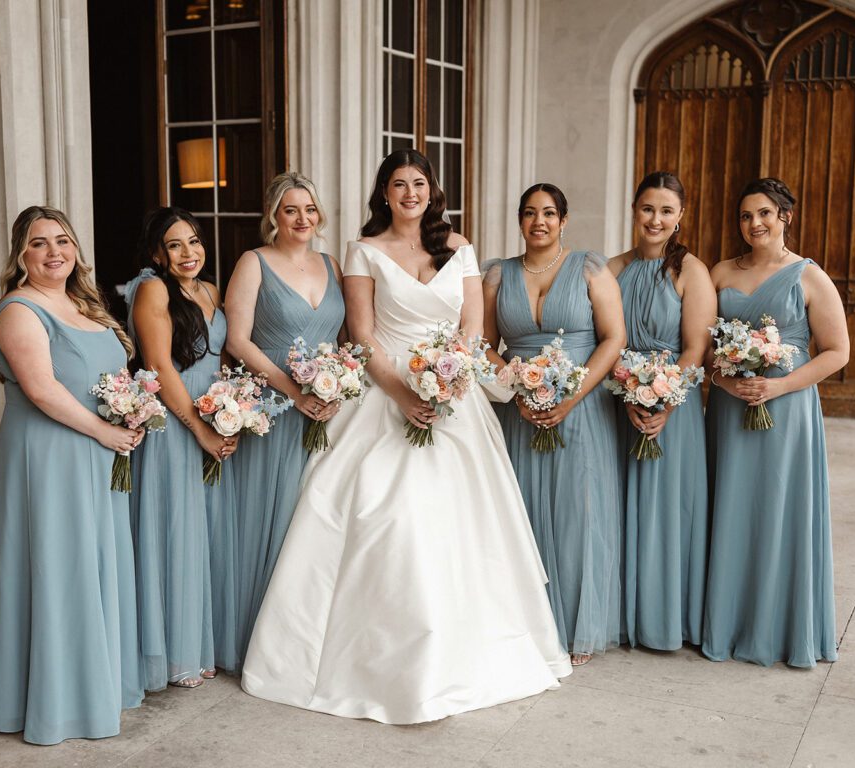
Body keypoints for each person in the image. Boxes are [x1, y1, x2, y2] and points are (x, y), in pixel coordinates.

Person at [241, 150, 571, 723]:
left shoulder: (460, 247)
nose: (410, 193)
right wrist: (405, 394)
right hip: (386, 393)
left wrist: (447, 386)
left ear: (431, 190)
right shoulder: (362, 251)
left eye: (419, 183)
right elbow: (364, 335)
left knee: (467, 529)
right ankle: (376, 661)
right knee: (387, 520)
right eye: (399, 185)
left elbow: (471, 329)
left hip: (455, 400)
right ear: (384, 194)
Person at [0, 206, 143, 744]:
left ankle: (93, 684)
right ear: (20, 255)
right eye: (39, 243)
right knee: (59, 565)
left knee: (93, 562)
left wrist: (130, 415)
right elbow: (42, 390)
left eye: (63, 241)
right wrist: (105, 431)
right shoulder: (18, 308)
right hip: (50, 452)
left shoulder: (82, 304)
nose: (54, 252)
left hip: (98, 449)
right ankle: (55, 702)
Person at [704, 178, 848, 667]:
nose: (754, 224)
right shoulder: (721, 272)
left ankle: (779, 629)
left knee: (779, 510)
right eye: (746, 216)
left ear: (786, 216)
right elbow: (701, 349)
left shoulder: (808, 276)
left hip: (786, 412)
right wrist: (725, 385)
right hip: (728, 410)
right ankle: (726, 624)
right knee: (731, 510)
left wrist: (780, 387)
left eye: (764, 213)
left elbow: (838, 352)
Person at [483, 182, 626, 665]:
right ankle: (524, 624)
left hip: (579, 408)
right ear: (519, 221)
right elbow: (482, 343)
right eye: (529, 213)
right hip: (518, 412)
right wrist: (515, 386)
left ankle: (577, 626)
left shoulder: (589, 268)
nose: (538, 221)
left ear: (564, 221)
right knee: (518, 513)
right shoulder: (497, 275)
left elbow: (613, 339)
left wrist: (571, 397)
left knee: (577, 516)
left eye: (548, 213)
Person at [224, 171, 345, 666]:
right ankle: (253, 638)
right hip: (276, 405)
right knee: (269, 513)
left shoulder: (333, 264)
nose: (302, 219)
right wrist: (293, 390)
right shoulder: (254, 263)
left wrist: (341, 382)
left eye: (310, 209)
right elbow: (237, 340)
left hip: (331, 409)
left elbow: (346, 339)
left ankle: (303, 638)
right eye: (291, 209)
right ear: (273, 215)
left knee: (317, 518)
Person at [125, 207, 239, 689]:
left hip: (214, 417)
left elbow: (223, 357)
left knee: (203, 533)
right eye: (175, 245)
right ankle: (173, 653)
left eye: (194, 241)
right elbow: (159, 365)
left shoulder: (211, 290)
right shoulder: (152, 289)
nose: (189, 253)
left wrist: (236, 406)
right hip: (175, 425)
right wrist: (201, 428)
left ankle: (199, 641)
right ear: (157, 252)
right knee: (175, 532)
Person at [607, 172, 715, 650]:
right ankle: (621, 617)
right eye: (648, 208)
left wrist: (665, 401)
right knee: (619, 504)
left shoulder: (692, 271)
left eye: (666, 210)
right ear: (634, 211)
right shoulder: (610, 268)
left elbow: (695, 348)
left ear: (680, 216)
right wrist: (626, 389)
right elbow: (604, 339)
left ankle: (665, 619)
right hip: (619, 400)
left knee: (668, 511)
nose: (655, 219)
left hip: (676, 405)